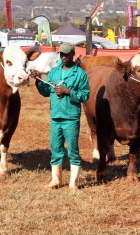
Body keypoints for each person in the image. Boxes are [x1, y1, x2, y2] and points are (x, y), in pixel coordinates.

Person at [30, 42, 90, 190]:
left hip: (71, 117)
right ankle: (56, 180)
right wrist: (38, 80)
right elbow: (45, 91)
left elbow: (85, 95)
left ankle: (73, 183)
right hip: (55, 117)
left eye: (67, 54)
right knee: (55, 148)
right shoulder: (54, 72)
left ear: (72, 54)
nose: (64, 57)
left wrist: (68, 91)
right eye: (62, 54)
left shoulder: (80, 74)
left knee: (72, 149)